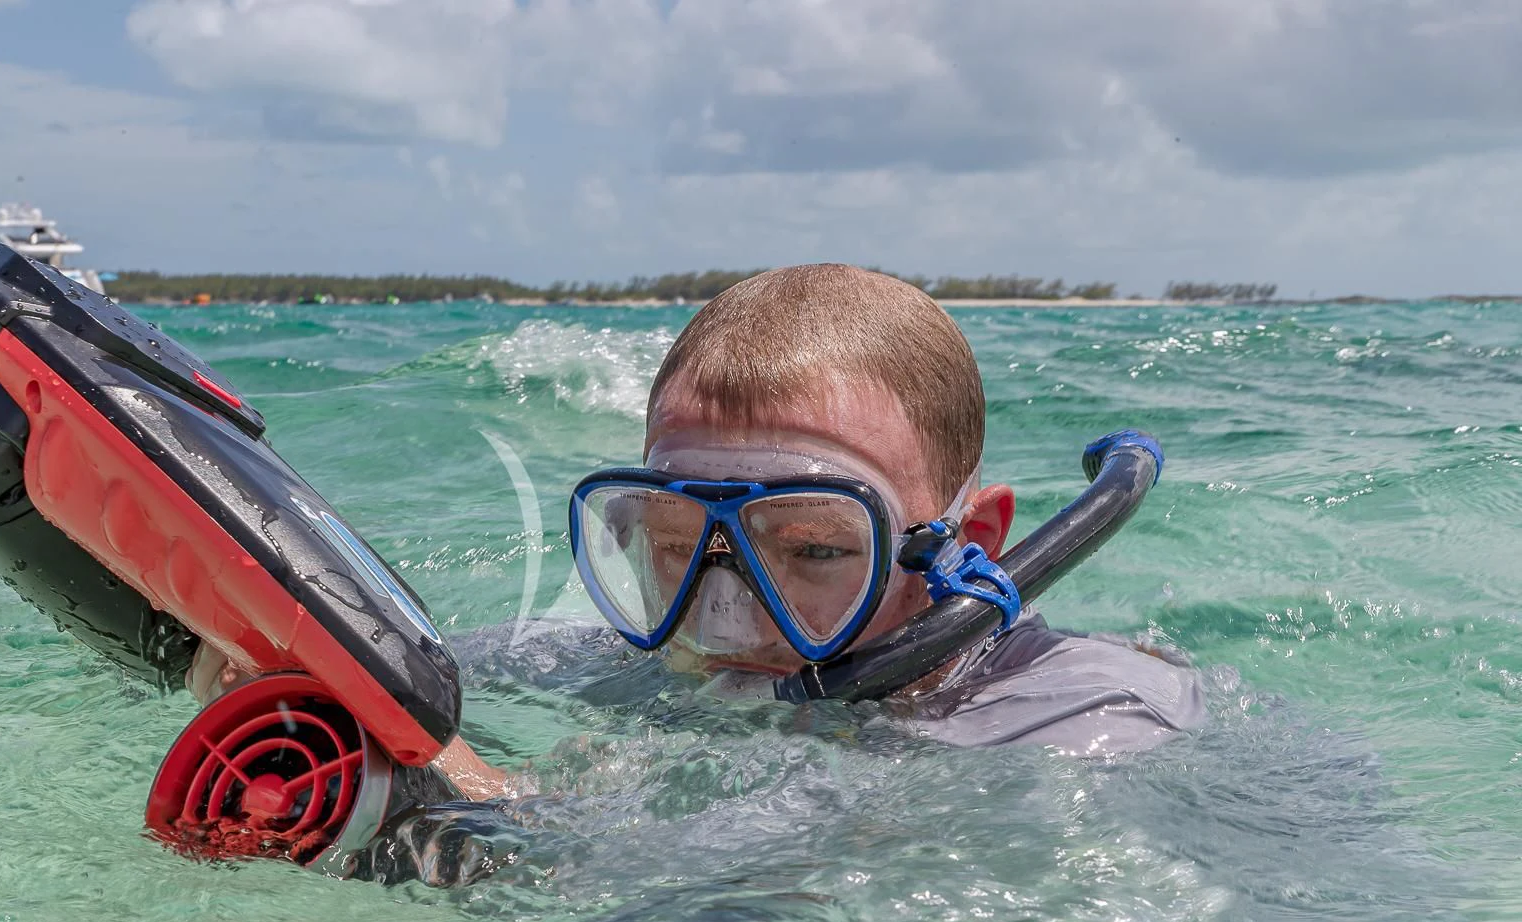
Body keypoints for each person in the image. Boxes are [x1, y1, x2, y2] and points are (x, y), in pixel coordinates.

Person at [192, 264, 1205, 805]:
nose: (724, 616)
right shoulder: (632, 665)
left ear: (966, 537)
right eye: (677, 545)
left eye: (810, 549)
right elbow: (427, 673)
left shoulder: (1092, 716)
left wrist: (496, 806)